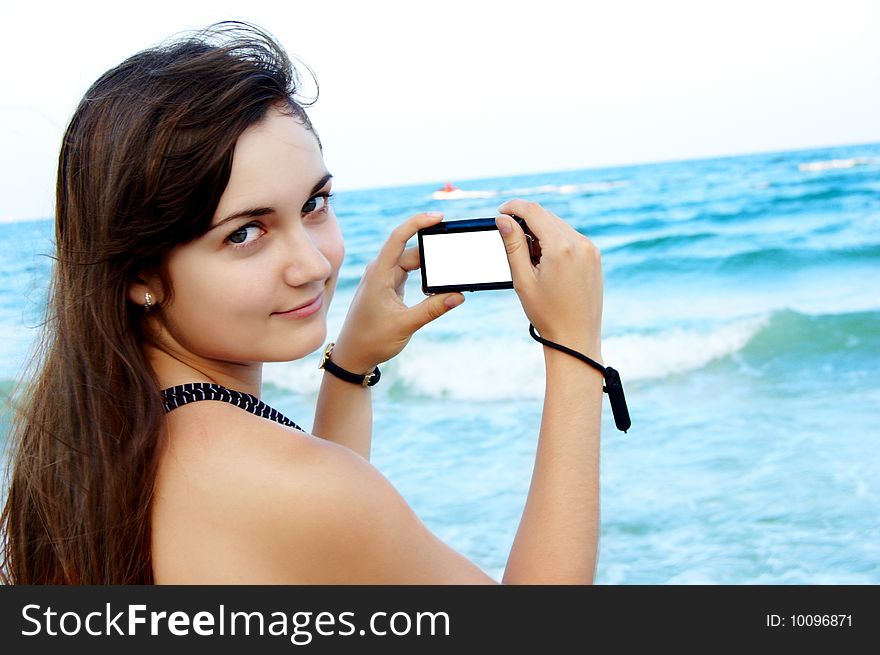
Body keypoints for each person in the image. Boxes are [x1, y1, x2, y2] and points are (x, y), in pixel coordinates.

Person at [0, 22, 605, 584]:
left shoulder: (89, 447)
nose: (314, 264)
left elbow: (318, 554)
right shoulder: (285, 482)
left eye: (314, 204)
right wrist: (574, 350)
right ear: (138, 271)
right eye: (245, 232)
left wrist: (351, 365)